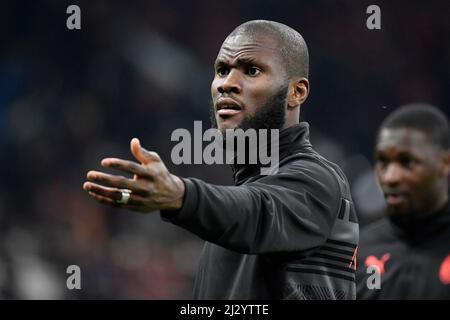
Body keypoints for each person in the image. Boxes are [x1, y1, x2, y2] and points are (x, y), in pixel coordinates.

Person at [83, 20, 358, 300]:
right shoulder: (234, 216)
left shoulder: (318, 179)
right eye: (222, 70)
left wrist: (181, 195)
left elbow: (261, 212)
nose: (227, 84)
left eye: (252, 70)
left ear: (296, 92)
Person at [356, 104, 450, 299]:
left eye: (407, 162)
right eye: (383, 161)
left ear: (444, 163)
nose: (391, 177)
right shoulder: (356, 253)